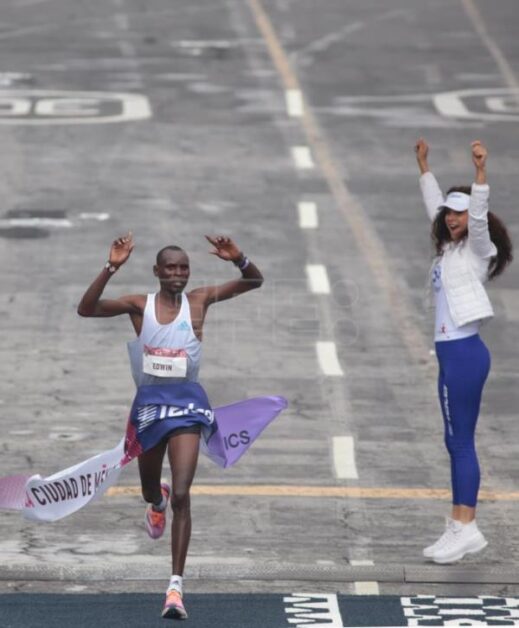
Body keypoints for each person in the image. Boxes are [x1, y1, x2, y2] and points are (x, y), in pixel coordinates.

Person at [77, 233, 263, 619]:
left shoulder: (199, 301)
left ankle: (175, 588)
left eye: (184, 268)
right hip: (148, 407)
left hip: (188, 406)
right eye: (171, 268)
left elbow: (253, 282)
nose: (178, 274)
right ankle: (154, 501)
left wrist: (238, 258)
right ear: (157, 272)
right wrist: (111, 266)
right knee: (153, 490)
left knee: (184, 494)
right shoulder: (138, 306)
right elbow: (87, 309)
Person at [414, 138, 512, 564]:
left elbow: (475, 219)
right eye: (450, 213)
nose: (454, 218)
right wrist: (424, 168)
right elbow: (434, 206)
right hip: (453, 356)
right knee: (454, 440)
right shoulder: (449, 248)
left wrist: (480, 175)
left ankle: (467, 527)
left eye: (461, 212)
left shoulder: (477, 248)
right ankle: (458, 523)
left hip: (464, 355)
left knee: (461, 442)